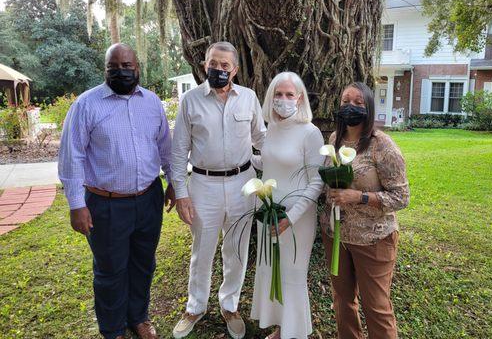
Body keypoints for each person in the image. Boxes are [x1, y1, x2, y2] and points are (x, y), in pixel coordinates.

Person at [58, 43, 175, 339]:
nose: (121, 72)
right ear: (105, 70)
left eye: (127, 66)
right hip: (105, 204)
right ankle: (112, 330)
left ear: (138, 67)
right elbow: (72, 156)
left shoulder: (152, 102)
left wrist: (174, 182)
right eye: (114, 67)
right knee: (110, 271)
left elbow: (165, 148)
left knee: (143, 263)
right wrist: (76, 205)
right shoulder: (86, 105)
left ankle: (138, 317)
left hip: (149, 199)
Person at [170, 41, 267, 339]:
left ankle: (230, 305)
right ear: (204, 65)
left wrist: (287, 161)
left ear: (235, 70)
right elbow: (178, 151)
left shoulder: (249, 98)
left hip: (242, 183)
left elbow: (261, 138)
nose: (219, 69)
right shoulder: (191, 100)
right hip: (203, 184)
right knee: (202, 250)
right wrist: (181, 193)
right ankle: (195, 306)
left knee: (236, 249)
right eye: (214, 63)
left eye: (225, 65)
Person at [320, 82, 410, 339]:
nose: (351, 107)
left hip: (373, 239)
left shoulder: (382, 145)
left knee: (376, 308)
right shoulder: (335, 140)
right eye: (345, 101)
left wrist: (360, 197)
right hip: (336, 236)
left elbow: (401, 197)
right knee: (343, 302)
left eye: (358, 103)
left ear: (369, 107)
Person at [250, 72, 324, 339]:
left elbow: (316, 182)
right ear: (271, 97)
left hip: (296, 220)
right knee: (272, 272)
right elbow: (269, 162)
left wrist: (290, 218)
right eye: (278, 94)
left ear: (299, 98)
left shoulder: (310, 132)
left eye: (289, 94)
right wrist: (240, 155)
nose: (283, 100)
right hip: (269, 214)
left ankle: (294, 333)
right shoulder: (271, 128)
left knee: (292, 276)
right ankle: (282, 329)